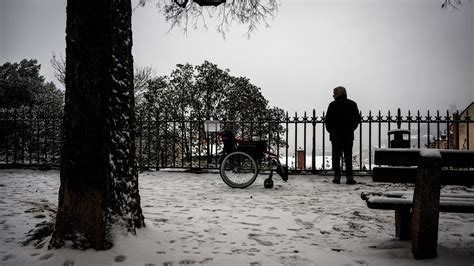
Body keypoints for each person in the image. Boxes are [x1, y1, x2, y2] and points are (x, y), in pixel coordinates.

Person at [325, 86, 361, 184]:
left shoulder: (332, 105)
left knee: (336, 156)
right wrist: (351, 129)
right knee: (348, 156)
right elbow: (357, 120)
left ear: (338, 94)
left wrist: (331, 131)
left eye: (334, 93)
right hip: (348, 134)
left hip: (335, 134)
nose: (333, 95)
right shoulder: (352, 104)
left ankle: (337, 177)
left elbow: (327, 121)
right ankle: (349, 177)